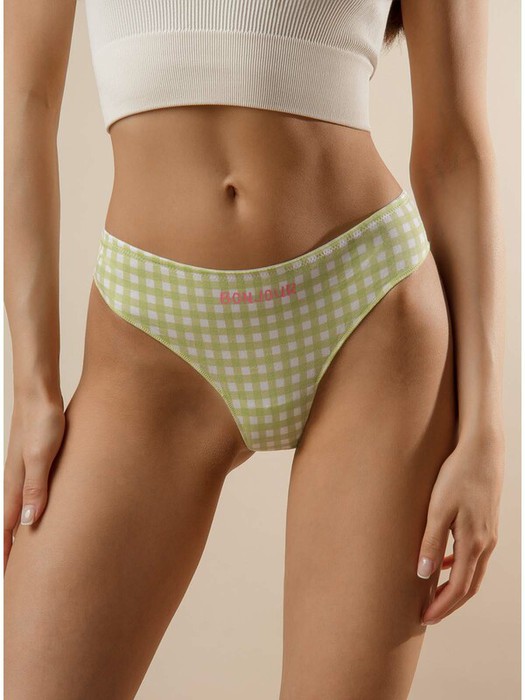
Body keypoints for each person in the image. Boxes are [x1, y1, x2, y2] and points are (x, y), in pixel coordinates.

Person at [4, 1, 505, 698]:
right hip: (149, 341)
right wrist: (33, 390)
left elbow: (455, 149)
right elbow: (24, 103)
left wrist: (484, 432)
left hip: (366, 313)